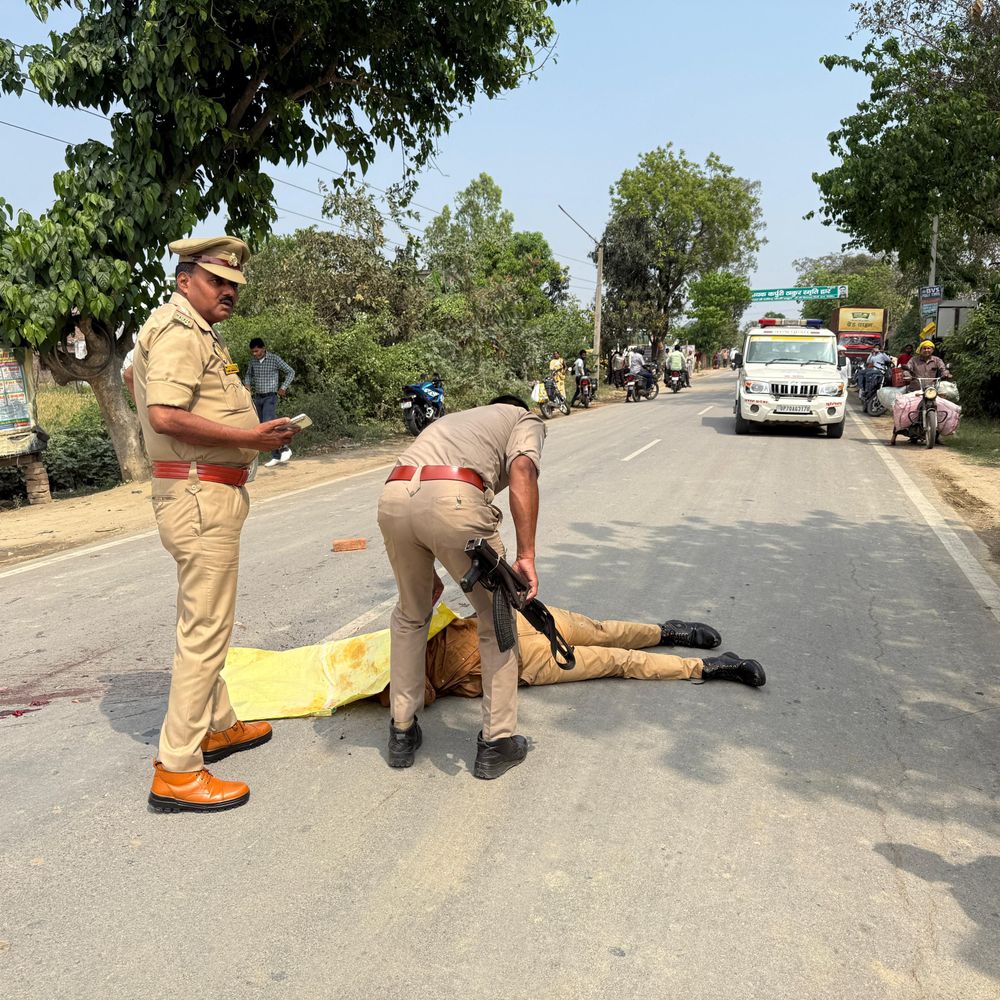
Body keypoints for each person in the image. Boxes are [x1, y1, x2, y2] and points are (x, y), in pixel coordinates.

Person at [133, 236, 299, 813]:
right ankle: (177, 770)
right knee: (204, 632)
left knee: (203, 621)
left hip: (200, 489)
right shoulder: (180, 331)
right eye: (215, 281)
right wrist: (251, 437)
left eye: (233, 284)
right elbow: (164, 414)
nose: (227, 291)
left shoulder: (189, 329)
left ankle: (218, 722)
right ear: (184, 280)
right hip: (198, 491)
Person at [377, 395, 546, 780]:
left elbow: (424, 499)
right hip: (453, 497)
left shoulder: (462, 421)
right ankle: (497, 742)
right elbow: (522, 470)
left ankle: (401, 732)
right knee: (496, 618)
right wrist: (527, 557)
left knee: (410, 614)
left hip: (395, 495)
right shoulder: (525, 418)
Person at [397, 607, 765, 709]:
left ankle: (668, 632)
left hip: (510, 620)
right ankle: (709, 668)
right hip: (521, 664)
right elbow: (419, 697)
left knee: (602, 630)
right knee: (618, 661)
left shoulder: (395, 631)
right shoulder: (374, 680)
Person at [244, 337, 296, 467]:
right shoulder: (253, 361)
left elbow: (291, 372)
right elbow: (248, 375)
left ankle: (284, 449)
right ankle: (277, 455)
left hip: (270, 397)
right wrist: (248, 386)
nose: (255, 354)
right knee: (263, 425)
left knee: (269, 422)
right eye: (253, 352)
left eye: (257, 351)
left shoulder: (274, 359)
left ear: (263, 349)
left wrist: (283, 387)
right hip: (258, 397)